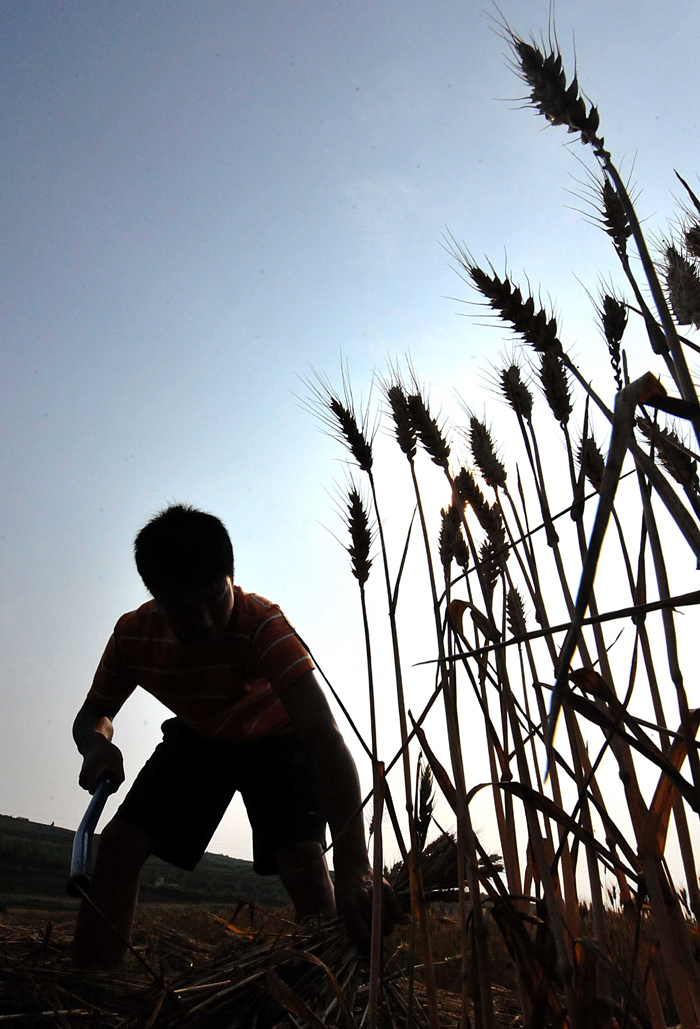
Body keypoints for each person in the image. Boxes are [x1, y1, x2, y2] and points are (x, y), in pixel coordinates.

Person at [72, 503, 400, 967]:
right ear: (157, 600)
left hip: (277, 740)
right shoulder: (134, 637)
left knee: (305, 867)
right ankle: (92, 989)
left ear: (232, 577)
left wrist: (353, 863)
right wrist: (97, 744)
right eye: (186, 612)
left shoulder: (263, 627)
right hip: (200, 739)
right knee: (118, 850)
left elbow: (325, 739)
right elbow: (95, 712)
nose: (205, 622)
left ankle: (335, 987)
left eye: (214, 601)